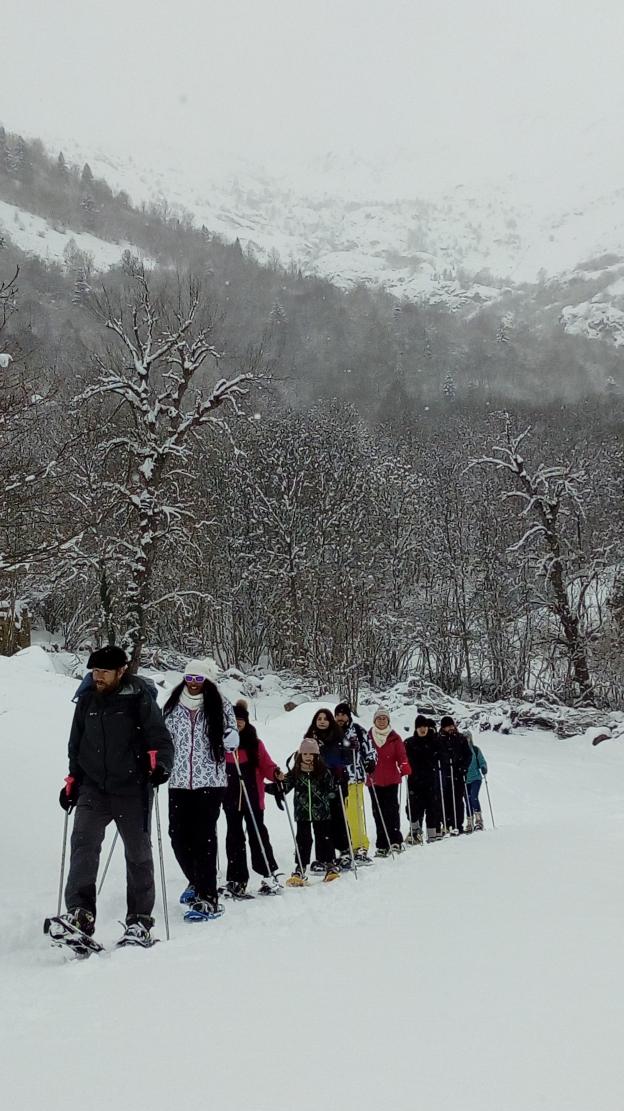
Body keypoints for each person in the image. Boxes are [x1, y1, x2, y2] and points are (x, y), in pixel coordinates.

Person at [56, 645, 173, 947]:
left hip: (133, 788)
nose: (98, 677)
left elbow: (160, 738)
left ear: (121, 671)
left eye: (104, 672)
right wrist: (73, 781)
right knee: (83, 845)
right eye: (95, 671)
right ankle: (80, 914)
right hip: (93, 787)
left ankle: (139, 921)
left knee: (138, 854)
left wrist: (161, 765)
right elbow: (75, 744)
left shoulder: (138, 698)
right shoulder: (87, 699)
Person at [164, 657, 238, 922]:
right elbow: (162, 736)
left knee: (203, 837)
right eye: (189, 678)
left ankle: (208, 896)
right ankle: (196, 880)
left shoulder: (220, 705)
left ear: (207, 682)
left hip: (210, 781)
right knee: (177, 835)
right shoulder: (172, 706)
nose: (193, 683)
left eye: (199, 679)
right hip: (179, 781)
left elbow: (232, 735)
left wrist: (231, 738)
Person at [223, 699, 283, 897]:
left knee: (258, 836)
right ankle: (237, 879)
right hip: (230, 798)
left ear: (246, 721)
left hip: (253, 798)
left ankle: (268, 874)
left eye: (241, 719)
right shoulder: (223, 744)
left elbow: (266, 765)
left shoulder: (254, 744)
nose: (238, 723)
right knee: (234, 838)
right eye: (234, 719)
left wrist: (275, 773)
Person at [281, 738, 340, 885]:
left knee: (324, 838)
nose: (308, 757)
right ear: (300, 755)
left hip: (322, 812)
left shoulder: (323, 771)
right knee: (303, 839)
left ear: (316, 755)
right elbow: (285, 787)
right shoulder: (296, 772)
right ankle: (300, 867)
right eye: (305, 754)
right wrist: (273, 787)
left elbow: (331, 789)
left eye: (311, 754)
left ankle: (329, 865)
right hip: (302, 813)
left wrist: (336, 784)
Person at [305, 708, 351, 868]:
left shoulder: (338, 736)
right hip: (317, 785)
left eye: (325, 719)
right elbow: (303, 759)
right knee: (320, 821)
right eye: (319, 719)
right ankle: (324, 856)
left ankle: (345, 851)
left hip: (336, 783)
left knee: (338, 818)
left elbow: (347, 758)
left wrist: (338, 768)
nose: (322, 721)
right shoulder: (309, 738)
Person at [334, 701, 377, 865]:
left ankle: (360, 846)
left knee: (354, 814)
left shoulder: (358, 730)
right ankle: (345, 847)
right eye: (338, 715)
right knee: (340, 816)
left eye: (343, 715)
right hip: (336, 780)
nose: (340, 718)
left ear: (348, 716)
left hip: (354, 778)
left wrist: (370, 761)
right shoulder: (332, 732)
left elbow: (370, 749)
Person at [367, 707, 411, 856]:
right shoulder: (368, 737)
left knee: (392, 810)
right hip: (374, 779)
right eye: (379, 718)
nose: (381, 721)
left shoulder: (394, 737)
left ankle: (395, 841)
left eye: (384, 718)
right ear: (374, 721)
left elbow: (401, 754)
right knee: (378, 812)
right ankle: (382, 844)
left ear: (388, 721)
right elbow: (364, 754)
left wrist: (403, 764)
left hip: (391, 779)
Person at [404, 714, 442, 844]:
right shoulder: (409, 743)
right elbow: (402, 757)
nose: (423, 729)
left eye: (425, 726)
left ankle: (432, 836)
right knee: (412, 809)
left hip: (431, 781)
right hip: (414, 781)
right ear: (416, 728)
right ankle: (415, 831)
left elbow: (442, 755)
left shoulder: (434, 741)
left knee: (432, 809)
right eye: (420, 727)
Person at [437, 716, 472, 835]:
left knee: (457, 800)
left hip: (458, 773)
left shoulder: (460, 738)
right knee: (445, 799)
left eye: (452, 725)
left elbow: (468, 755)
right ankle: (446, 823)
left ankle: (458, 824)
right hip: (445, 774)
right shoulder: (438, 739)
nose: (451, 728)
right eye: (448, 726)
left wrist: (464, 767)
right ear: (443, 727)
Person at [465, 730, 488, 831]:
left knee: (473, 797)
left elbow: (482, 761)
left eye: (468, 737)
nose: (466, 739)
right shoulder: (460, 751)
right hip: (465, 779)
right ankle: (469, 822)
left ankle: (479, 821)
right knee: (467, 799)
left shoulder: (475, 749)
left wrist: (483, 767)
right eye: (464, 738)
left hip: (476, 778)